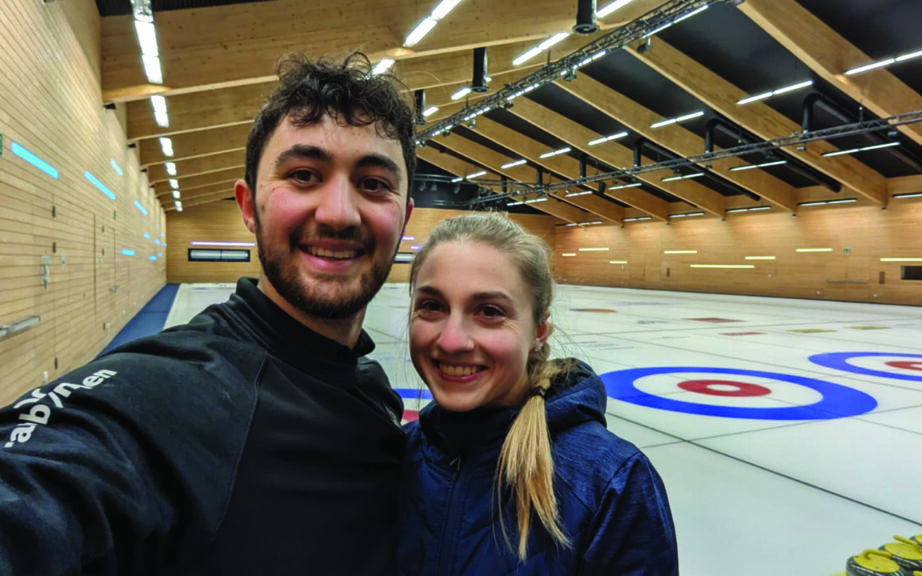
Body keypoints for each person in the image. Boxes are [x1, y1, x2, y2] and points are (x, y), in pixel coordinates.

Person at [0, 52, 415, 575]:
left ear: (404, 216)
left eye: (374, 183)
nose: (337, 212)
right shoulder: (164, 397)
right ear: (248, 206)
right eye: (304, 174)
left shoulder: (372, 392)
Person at [398, 212, 678, 575]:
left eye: (489, 311)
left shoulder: (610, 483)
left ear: (539, 331)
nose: (452, 340)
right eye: (432, 306)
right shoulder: (395, 457)